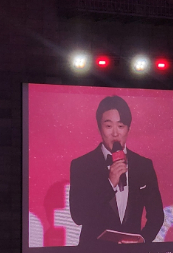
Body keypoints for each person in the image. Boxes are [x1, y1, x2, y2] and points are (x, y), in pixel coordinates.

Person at [69, 95, 164, 244]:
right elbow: (78, 215)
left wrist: (143, 239)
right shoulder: (82, 165)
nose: (115, 133)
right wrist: (109, 184)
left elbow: (157, 215)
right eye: (108, 126)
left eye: (120, 126)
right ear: (99, 127)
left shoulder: (143, 165)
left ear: (129, 128)